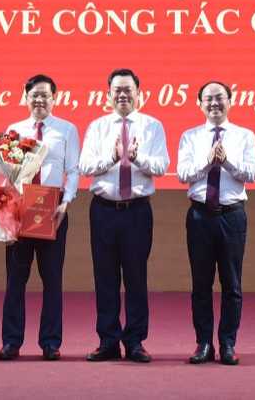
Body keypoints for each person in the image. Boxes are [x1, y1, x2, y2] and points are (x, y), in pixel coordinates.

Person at [79, 68, 169, 363]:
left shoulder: (152, 126)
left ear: (138, 93)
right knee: (105, 277)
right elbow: (85, 166)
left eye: (127, 89)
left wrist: (137, 157)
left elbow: (162, 166)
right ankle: (108, 341)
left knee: (136, 277)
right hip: (104, 210)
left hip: (137, 211)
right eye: (116, 90)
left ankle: (135, 342)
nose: (122, 95)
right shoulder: (98, 127)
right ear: (108, 95)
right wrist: (113, 158)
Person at [0, 74, 80, 362]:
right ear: (26, 97)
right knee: (15, 280)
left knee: (52, 280)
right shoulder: (14, 130)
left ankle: (50, 342)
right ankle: (11, 342)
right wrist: (6, 207)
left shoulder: (67, 130)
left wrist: (66, 203)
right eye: (35, 95)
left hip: (53, 211)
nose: (40, 100)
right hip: (20, 212)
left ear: (54, 98)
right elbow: (5, 172)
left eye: (45, 95)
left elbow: (73, 170)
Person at [176, 81, 255, 365]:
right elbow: (183, 174)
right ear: (200, 104)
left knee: (231, 284)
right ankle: (203, 344)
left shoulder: (245, 136)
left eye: (220, 98)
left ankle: (227, 344)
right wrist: (207, 161)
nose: (214, 103)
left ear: (230, 101)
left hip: (231, 216)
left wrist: (227, 163)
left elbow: (253, 174)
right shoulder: (190, 136)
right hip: (200, 216)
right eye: (208, 99)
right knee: (201, 284)